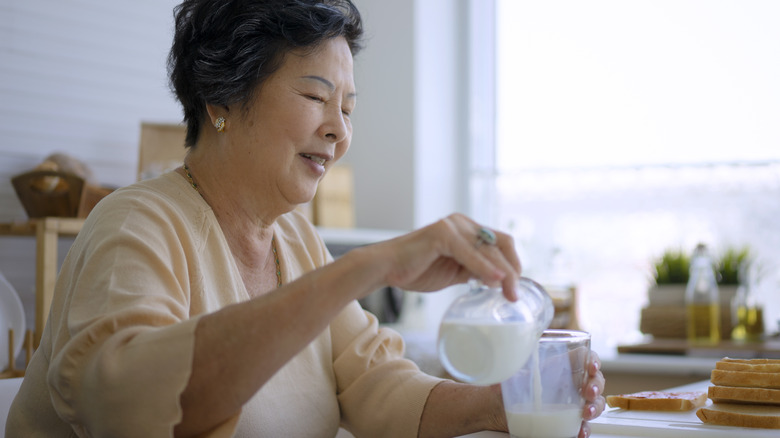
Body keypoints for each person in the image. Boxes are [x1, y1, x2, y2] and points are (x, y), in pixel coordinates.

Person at [6, 1, 605, 437]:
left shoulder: (295, 241)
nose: (339, 131)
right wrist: (375, 265)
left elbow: (377, 388)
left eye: (347, 108)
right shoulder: (135, 224)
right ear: (220, 99)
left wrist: (502, 404)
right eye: (317, 98)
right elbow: (129, 405)